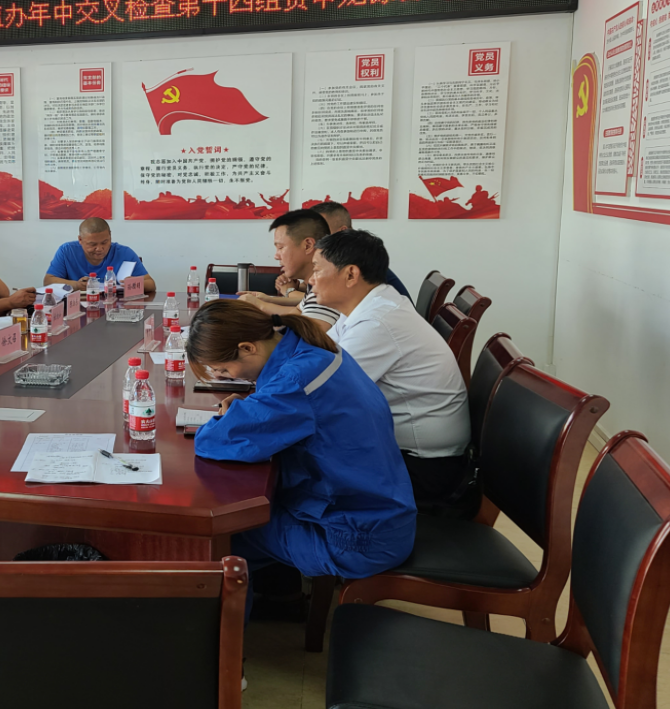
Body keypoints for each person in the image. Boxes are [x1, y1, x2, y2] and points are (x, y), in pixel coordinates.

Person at [187, 300, 415, 589]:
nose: (226, 377)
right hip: (383, 513)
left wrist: (231, 417)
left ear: (247, 347)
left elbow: (213, 440)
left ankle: (247, 614)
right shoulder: (312, 348)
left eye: (223, 369)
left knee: (218, 542)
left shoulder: (295, 381)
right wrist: (252, 409)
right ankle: (282, 596)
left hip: (357, 539)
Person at [308, 229, 470, 503]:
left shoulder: (378, 322)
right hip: (405, 454)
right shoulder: (371, 305)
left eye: (316, 269)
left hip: (422, 469)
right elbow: (316, 356)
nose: (311, 280)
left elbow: (318, 392)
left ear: (350, 274)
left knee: (287, 474)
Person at [237, 209, 342, 332]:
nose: (276, 256)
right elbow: (296, 313)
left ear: (308, 245)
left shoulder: (327, 286)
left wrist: (259, 305)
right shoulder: (315, 284)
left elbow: (307, 332)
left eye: (281, 247)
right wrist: (263, 302)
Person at [308, 200, 411, 300]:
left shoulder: (353, 262)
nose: (314, 239)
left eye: (321, 231)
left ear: (342, 231)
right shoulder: (353, 255)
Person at [44, 217, 156, 294]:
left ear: (110, 237)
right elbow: (48, 281)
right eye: (92, 244)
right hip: (77, 307)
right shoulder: (67, 251)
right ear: (80, 240)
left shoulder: (125, 253)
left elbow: (151, 284)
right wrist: (77, 285)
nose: (99, 249)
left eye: (104, 242)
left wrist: (134, 284)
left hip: (116, 308)